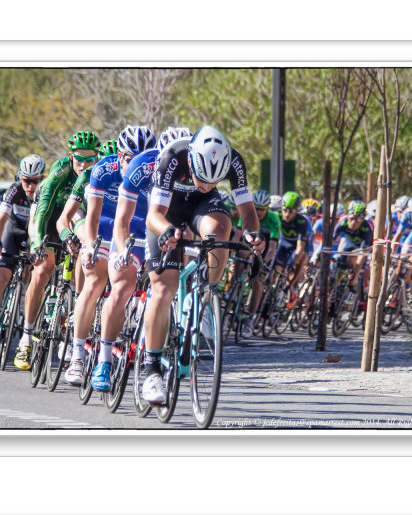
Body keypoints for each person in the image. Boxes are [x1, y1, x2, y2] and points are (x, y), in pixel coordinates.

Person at [141, 125, 264, 404]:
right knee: (164, 288)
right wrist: (167, 231)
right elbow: (153, 216)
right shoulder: (172, 156)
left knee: (221, 231)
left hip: (202, 206)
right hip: (167, 209)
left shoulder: (234, 161)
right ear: (192, 161)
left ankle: (205, 295)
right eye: (202, 178)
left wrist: (252, 235)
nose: (208, 185)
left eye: (215, 180)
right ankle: (152, 370)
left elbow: (247, 213)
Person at [89, 127, 189, 392]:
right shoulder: (141, 166)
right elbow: (121, 220)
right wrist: (121, 251)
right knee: (121, 287)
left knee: (168, 286)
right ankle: (104, 359)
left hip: (161, 232)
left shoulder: (189, 170)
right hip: (132, 231)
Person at [64, 126, 157, 386]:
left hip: (134, 230)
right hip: (104, 227)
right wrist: (91, 245)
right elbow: (92, 215)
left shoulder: (154, 170)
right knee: (94, 282)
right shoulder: (103, 169)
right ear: (119, 155)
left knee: (124, 287)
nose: (137, 163)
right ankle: (78, 355)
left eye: (143, 156)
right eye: (130, 158)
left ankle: (104, 360)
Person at [22, 131, 101, 358]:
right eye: (79, 158)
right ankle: (26, 336)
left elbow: (90, 217)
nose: (84, 164)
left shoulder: (96, 174)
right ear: (70, 155)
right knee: (44, 267)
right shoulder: (60, 170)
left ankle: (72, 317)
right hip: (49, 214)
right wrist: (37, 244)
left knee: (82, 250)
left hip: (75, 216)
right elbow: (43, 212)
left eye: (90, 159)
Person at [0, 154, 46, 361]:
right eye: (27, 180)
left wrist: (35, 245)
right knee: (0, 276)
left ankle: (23, 302)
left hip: (34, 231)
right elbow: (0, 219)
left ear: (42, 179)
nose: (31, 186)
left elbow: (35, 225)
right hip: (12, 231)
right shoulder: (13, 190)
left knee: (33, 271)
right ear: (20, 178)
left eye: (36, 181)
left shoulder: (43, 192)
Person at [240, 189, 281, 336]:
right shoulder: (247, 214)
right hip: (249, 245)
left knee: (257, 281)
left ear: (267, 209)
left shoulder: (274, 219)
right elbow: (239, 236)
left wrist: (264, 261)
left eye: (262, 209)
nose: (258, 212)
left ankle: (250, 320)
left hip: (265, 250)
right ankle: (233, 295)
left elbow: (272, 247)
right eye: (256, 208)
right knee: (237, 262)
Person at [332, 202, 373, 284]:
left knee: (352, 260)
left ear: (362, 220)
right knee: (340, 264)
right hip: (349, 244)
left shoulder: (366, 228)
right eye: (351, 218)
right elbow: (331, 240)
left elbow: (363, 252)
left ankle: (353, 282)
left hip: (362, 247)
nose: (353, 222)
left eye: (358, 220)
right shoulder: (343, 222)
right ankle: (336, 287)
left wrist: (356, 272)